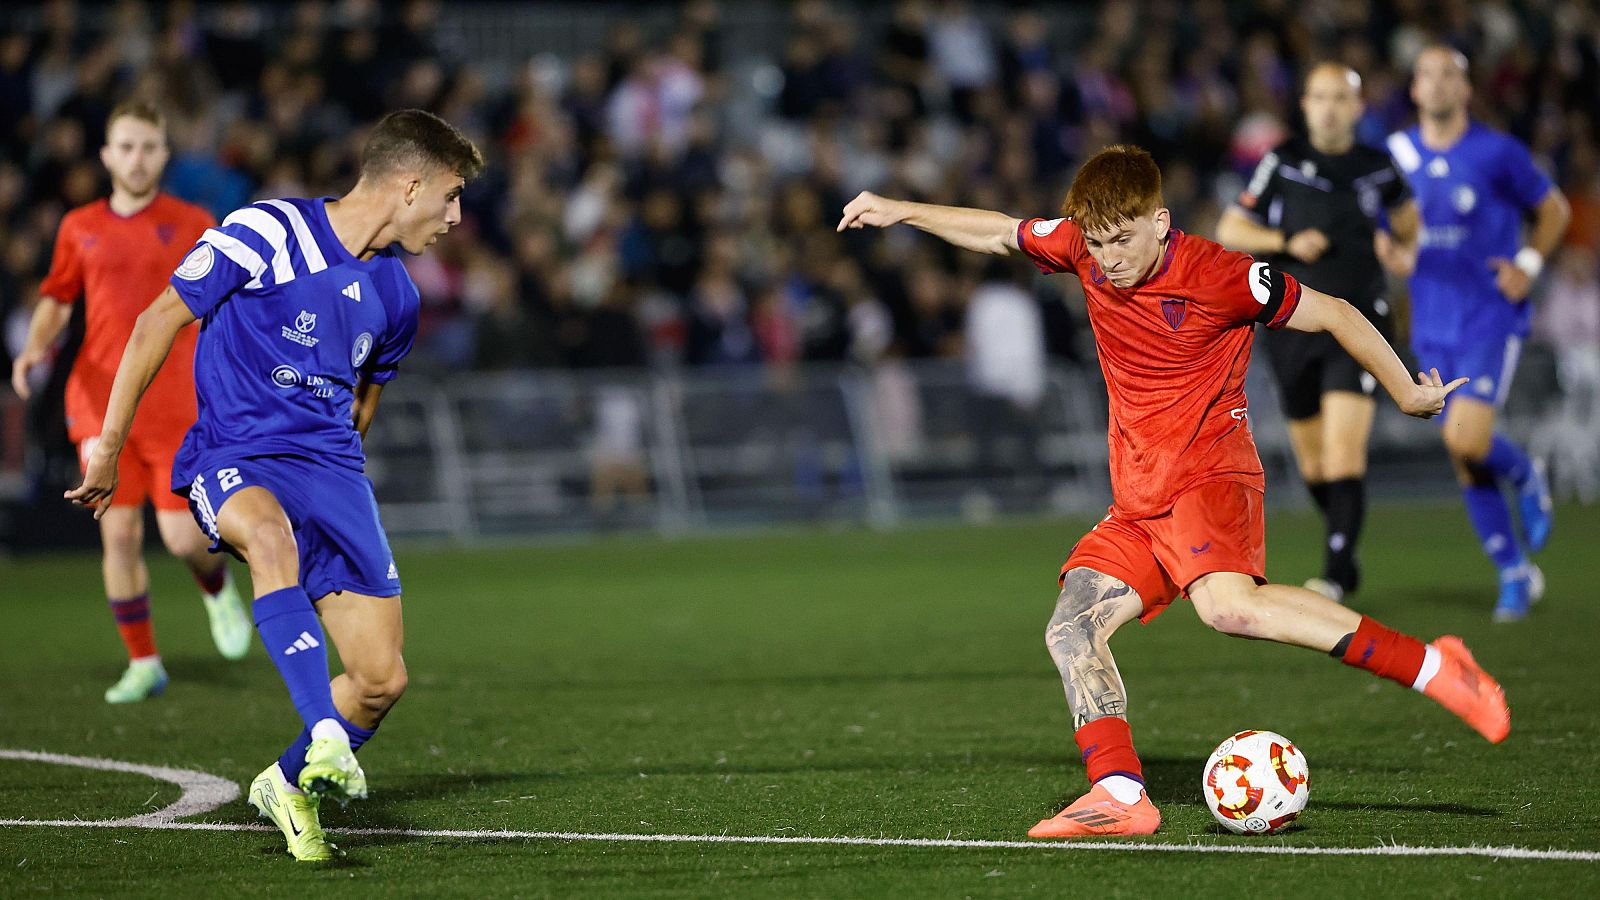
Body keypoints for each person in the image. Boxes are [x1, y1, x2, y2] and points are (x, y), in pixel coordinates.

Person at [837, 144, 1509, 838]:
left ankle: (1433, 666)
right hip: (1139, 497)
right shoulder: (1084, 249)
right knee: (1071, 627)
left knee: (1227, 609)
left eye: (1122, 240)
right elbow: (998, 231)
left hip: (1211, 475)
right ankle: (1121, 794)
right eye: (1096, 245)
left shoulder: (1223, 276)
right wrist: (900, 211)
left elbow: (1335, 311)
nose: (1108, 258)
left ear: (1160, 221)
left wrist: (1405, 393)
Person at [66, 109, 484, 861]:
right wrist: (110, 451)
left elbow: (362, 409)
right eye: (450, 196)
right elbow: (156, 321)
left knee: (381, 678)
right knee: (267, 535)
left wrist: (335, 488)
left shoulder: (400, 298)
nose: (455, 218)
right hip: (234, 454)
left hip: (330, 475)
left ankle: (286, 784)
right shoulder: (264, 231)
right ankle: (323, 730)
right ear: (410, 184)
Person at [11, 99, 250, 703]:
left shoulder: (196, 219)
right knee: (116, 535)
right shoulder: (79, 226)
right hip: (97, 398)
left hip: (177, 402)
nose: (137, 158)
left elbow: (228, 299)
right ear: (106, 155)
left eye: (148, 146)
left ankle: (216, 585)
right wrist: (36, 346)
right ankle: (144, 661)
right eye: (126, 146)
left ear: (164, 154)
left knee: (183, 540)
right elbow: (59, 298)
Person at [1216, 62, 1421, 603]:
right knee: (1314, 464)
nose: (1330, 107)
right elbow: (1230, 227)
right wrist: (1285, 240)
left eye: (1341, 98)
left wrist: (1401, 251)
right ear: (1305, 105)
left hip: (1362, 322)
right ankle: (1343, 547)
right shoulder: (1282, 161)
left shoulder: (1378, 166)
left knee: (1343, 454)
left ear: (1357, 107)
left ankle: (1332, 572)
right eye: (1320, 97)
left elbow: (1407, 222)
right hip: (1294, 322)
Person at [1384, 46, 1570, 622]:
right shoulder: (1395, 154)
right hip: (1431, 319)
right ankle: (1515, 573)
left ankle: (1525, 471)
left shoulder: (1497, 151)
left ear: (1465, 90)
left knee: (1467, 439)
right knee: (1464, 454)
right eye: (1427, 75)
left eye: (1450, 75)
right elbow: (1381, 225)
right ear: (1414, 90)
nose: (1437, 84)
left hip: (1488, 313)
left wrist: (1529, 266)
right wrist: (1388, 248)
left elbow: (1554, 210)